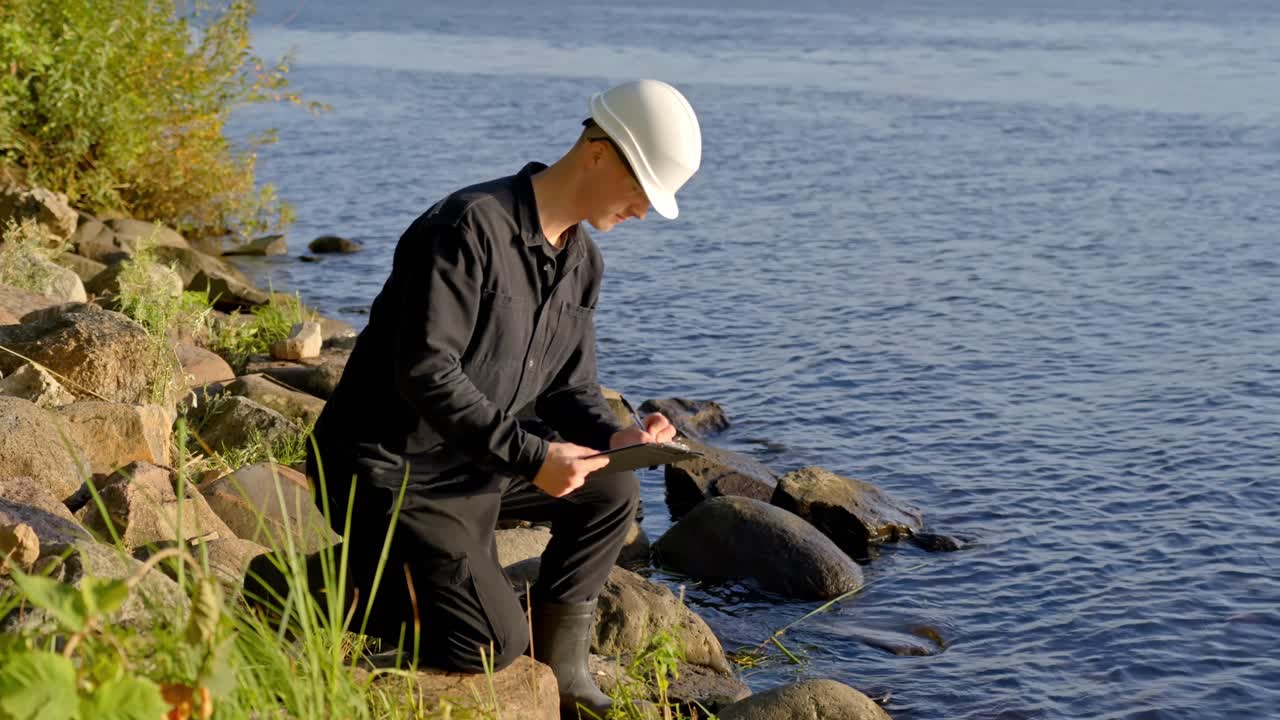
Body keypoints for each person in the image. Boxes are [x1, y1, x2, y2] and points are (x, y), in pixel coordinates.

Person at [304, 79, 702, 717]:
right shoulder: (466, 228)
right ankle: (297, 588)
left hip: (476, 463)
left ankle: (564, 674)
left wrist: (615, 438)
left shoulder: (582, 263)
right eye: (642, 189)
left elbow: (570, 387)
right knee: (490, 644)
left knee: (611, 491)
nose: (644, 211)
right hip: (388, 467)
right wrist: (531, 457)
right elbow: (427, 372)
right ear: (598, 151)